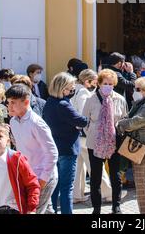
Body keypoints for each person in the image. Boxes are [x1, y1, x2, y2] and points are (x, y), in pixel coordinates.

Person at [6, 84, 58, 214]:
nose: (9, 106)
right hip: (28, 175)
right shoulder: (13, 121)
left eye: (13, 102)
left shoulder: (36, 123)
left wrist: (43, 179)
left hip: (42, 176)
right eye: (8, 102)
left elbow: (52, 153)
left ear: (26, 102)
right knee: (48, 211)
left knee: (32, 211)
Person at [82, 69, 128, 214]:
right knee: (95, 177)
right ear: (99, 83)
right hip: (95, 143)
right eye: (105, 83)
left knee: (116, 176)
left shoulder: (119, 99)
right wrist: (93, 133)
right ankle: (96, 209)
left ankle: (116, 206)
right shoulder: (91, 99)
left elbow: (124, 119)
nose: (108, 86)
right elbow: (85, 121)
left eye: (110, 83)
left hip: (114, 142)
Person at [43, 72, 88, 214]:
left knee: (55, 186)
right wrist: (77, 123)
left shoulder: (49, 102)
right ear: (62, 88)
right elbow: (82, 120)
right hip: (68, 149)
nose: (72, 91)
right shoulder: (63, 104)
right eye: (70, 88)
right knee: (66, 188)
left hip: (54, 148)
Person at [117, 77, 145, 214]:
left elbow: (133, 123)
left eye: (137, 89)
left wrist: (118, 124)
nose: (134, 92)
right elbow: (128, 118)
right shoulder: (141, 103)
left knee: (141, 181)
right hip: (138, 144)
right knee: (142, 179)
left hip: (142, 147)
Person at [71, 69, 112, 204]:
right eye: (94, 81)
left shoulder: (74, 89)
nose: (96, 84)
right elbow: (85, 114)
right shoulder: (83, 92)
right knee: (95, 166)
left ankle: (77, 194)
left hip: (76, 135)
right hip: (84, 135)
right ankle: (109, 193)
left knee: (79, 167)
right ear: (87, 80)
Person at [0, 123, 40, 214]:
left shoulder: (17, 159)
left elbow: (32, 185)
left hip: (12, 209)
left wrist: (31, 209)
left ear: (8, 141)